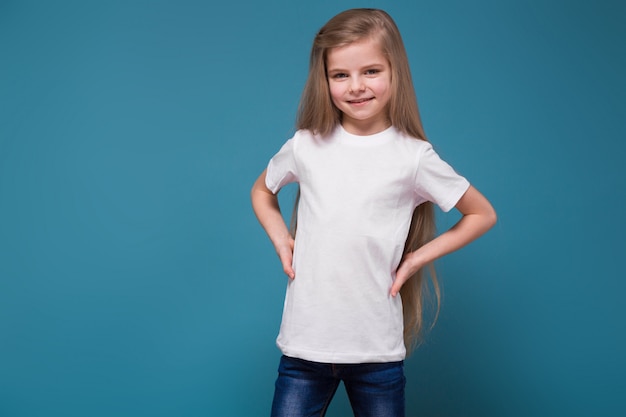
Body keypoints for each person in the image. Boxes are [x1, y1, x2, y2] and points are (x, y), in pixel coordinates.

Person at [250, 8, 496, 417]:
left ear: (394, 71)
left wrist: (416, 258)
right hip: (304, 348)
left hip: (376, 352)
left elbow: (481, 213)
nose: (356, 86)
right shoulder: (306, 145)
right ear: (324, 79)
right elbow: (262, 190)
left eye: (371, 71)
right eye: (340, 75)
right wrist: (281, 238)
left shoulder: (413, 157)